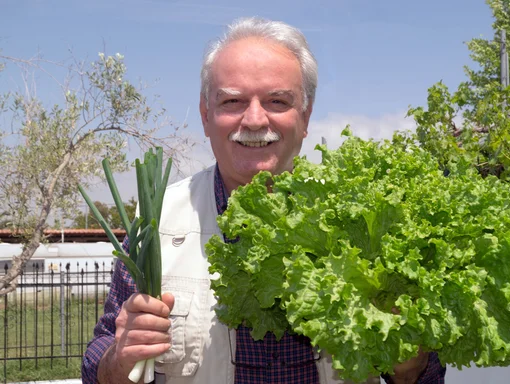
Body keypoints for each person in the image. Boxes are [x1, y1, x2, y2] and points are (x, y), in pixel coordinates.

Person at [82, 17, 446, 384]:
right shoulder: (157, 223)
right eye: (232, 101)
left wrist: (410, 365)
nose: (254, 119)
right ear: (206, 116)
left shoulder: (366, 216)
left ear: (305, 116)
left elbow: (423, 377)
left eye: (277, 100)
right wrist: (120, 356)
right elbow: (99, 361)